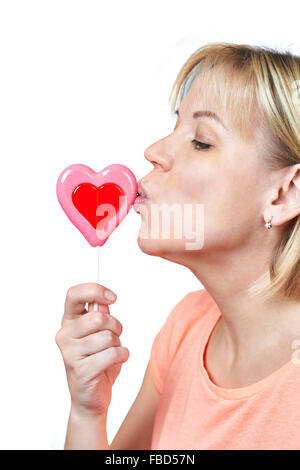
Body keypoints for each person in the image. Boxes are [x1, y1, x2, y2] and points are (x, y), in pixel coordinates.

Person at [55, 42, 300, 450]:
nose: (153, 152)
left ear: (284, 195)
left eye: (201, 141)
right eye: (176, 127)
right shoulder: (186, 328)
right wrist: (88, 412)